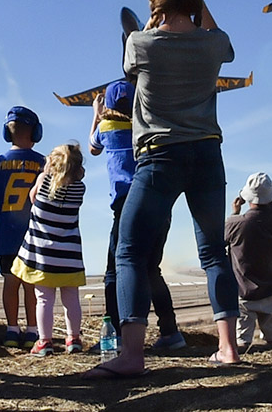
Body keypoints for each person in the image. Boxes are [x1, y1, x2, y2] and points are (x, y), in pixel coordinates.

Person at [87, 0, 240, 378]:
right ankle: (228, 348)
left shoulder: (140, 43)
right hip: (207, 153)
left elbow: (130, 69)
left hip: (160, 156)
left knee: (131, 250)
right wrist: (197, 4)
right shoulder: (214, 43)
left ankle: (132, 355)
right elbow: (222, 42)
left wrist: (157, 19)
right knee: (213, 252)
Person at [89, 82, 185, 351]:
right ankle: (170, 331)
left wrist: (96, 114)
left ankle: (116, 335)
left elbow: (92, 147)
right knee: (151, 269)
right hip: (157, 201)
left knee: (114, 271)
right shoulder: (147, 128)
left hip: (126, 205)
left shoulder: (106, 128)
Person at [11, 143, 86, 356]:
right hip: (69, 257)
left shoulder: (43, 181)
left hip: (43, 256)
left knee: (44, 298)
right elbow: (78, 177)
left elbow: (32, 198)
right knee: (71, 298)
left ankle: (44, 341)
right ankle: (74, 339)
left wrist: (45, 173)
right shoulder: (80, 188)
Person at [0, 106, 45, 348]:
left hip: (6, 233)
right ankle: (32, 331)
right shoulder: (42, 162)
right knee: (31, 284)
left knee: (10, 281)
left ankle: (11, 330)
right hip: (34, 235)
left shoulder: (0, 162)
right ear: (36, 132)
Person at [224, 172, 272, 350]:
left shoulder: (236, 224)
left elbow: (221, 238)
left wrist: (234, 212)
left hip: (243, 292)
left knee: (242, 344)